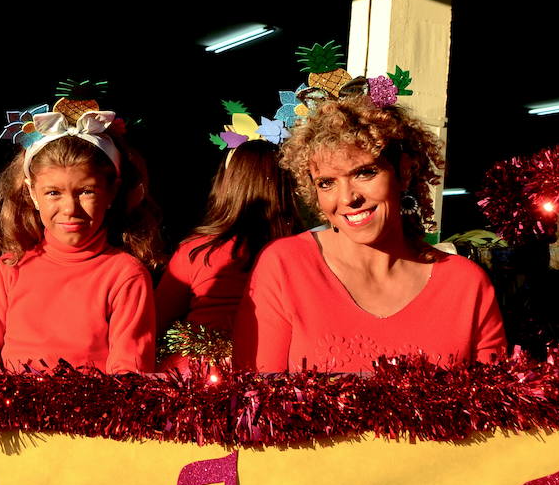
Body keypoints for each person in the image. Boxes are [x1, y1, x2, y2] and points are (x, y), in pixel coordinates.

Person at [233, 93, 506, 371]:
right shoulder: (285, 266)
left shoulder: (466, 285)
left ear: (405, 172)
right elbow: (253, 400)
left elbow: (496, 406)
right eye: (327, 183)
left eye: (364, 173)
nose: (347, 198)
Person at [0, 110, 160, 372]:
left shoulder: (126, 275)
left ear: (112, 191)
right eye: (53, 192)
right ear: (32, 192)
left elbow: (129, 374)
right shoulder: (12, 266)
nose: (70, 208)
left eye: (86, 191)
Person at [155, 140, 301, 362]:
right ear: (287, 187)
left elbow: (154, 321)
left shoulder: (196, 251)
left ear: (227, 183)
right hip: (273, 377)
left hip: (194, 378)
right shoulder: (303, 252)